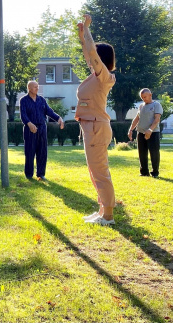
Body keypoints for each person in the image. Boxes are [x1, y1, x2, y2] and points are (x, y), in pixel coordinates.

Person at [76, 14, 117, 226]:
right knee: (95, 171)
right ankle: (102, 209)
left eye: (95, 59)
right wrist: (82, 36)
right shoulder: (95, 75)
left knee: (100, 171)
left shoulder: (105, 77)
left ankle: (108, 214)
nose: (91, 62)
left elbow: (92, 53)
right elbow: (88, 53)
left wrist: (89, 30)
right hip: (91, 127)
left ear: (101, 58)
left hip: (97, 128)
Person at [19, 81, 65, 181]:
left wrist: (59, 118)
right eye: (35, 87)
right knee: (30, 152)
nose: (37, 88)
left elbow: (49, 112)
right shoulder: (24, 100)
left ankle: (41, 174)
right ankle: (29, 174)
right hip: (30, 129)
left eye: (37, 86)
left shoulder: (41, 100)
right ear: (29, 88)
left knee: (42, 152)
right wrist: (29, 123)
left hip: (42, 128)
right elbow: (23, 115)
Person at [128, 88, 162, 178]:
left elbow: (157, 119)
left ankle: (155, 172)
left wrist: (150, 130)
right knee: (142, 153)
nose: (144, 99)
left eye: (145, 97)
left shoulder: (156, 105)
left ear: (150, 95)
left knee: (154, 152)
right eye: (142, 97)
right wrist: (131, 129)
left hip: (153, 133)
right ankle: (144, 172)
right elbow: (136, 118)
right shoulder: (141, 106)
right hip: (141, 132)